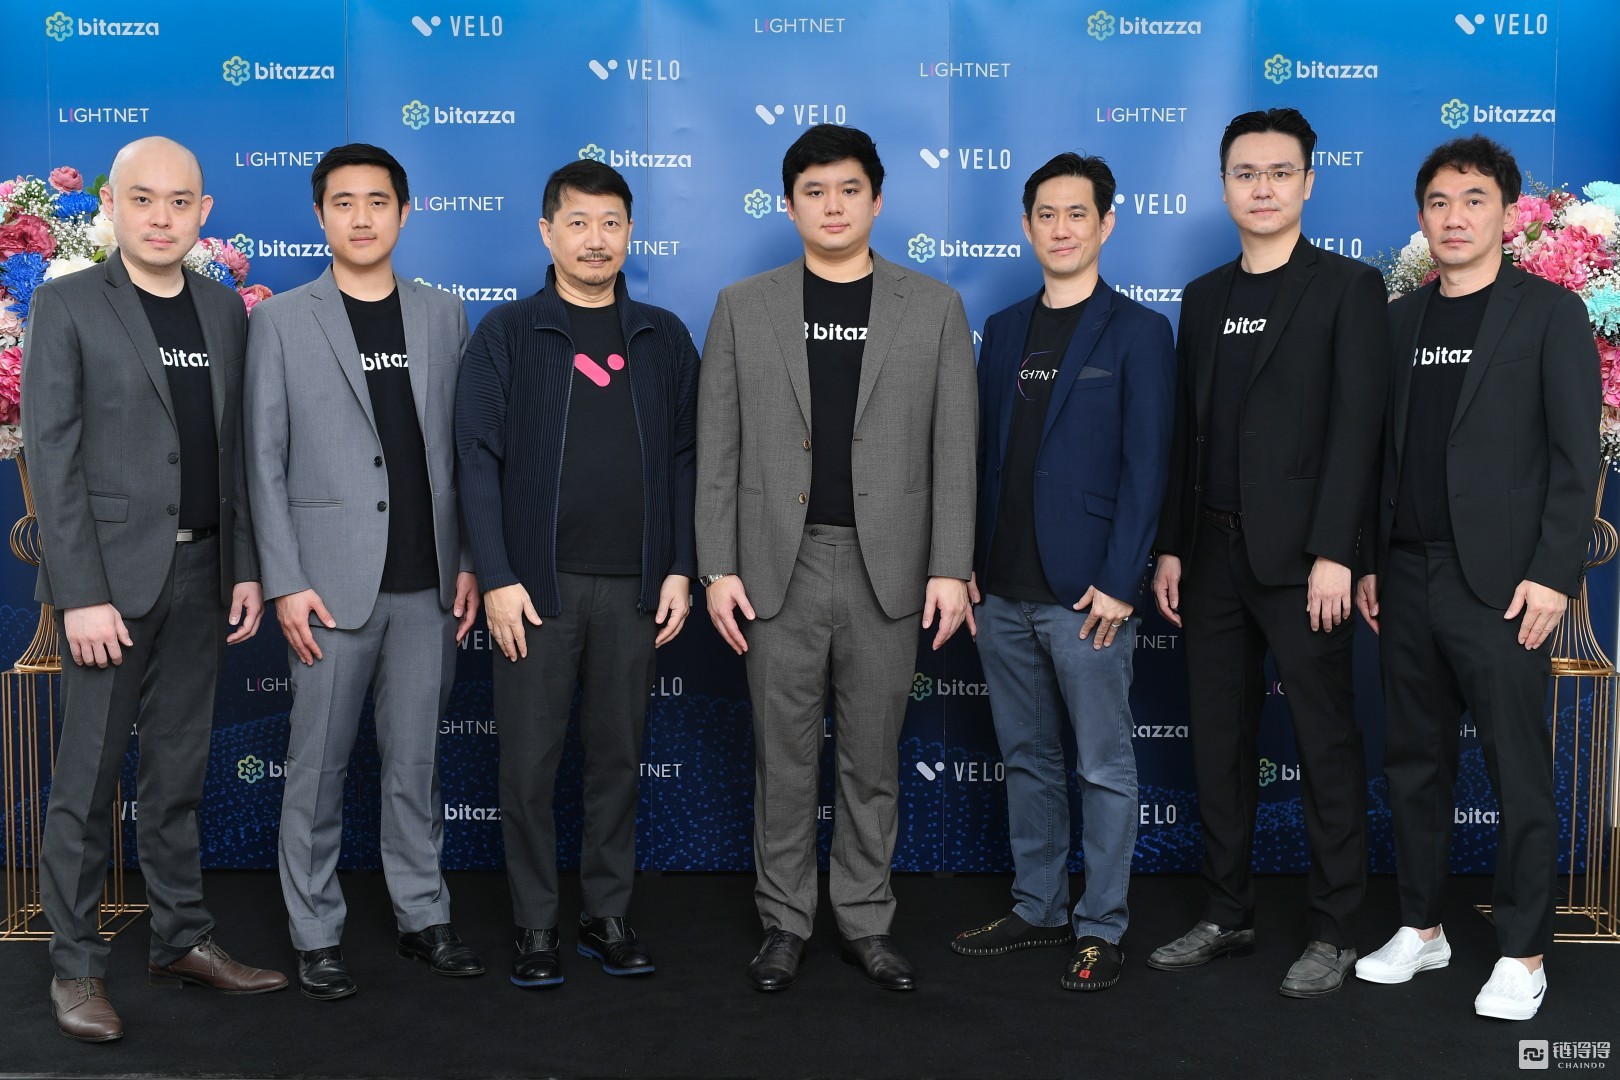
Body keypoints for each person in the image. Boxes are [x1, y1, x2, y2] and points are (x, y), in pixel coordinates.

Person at [697, 124, 977, 993]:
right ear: (789, 206)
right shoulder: (743, 305)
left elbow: (956, 449)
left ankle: (865, 920)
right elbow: (717, 450)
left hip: (887, 569)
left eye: (849, 189)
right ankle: (784, 922)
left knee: (871, 761)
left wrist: (949, 565)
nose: (832, 206)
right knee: (782, 760)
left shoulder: (933, 307)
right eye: (814, 191)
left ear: (877, 201)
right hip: (773, 568)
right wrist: (717, 567)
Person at [24, 136, 285, 1042]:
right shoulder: (65, 304)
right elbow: (52, 455)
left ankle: (180, 939)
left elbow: (234, 452)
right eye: (143, 199)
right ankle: (75, 968)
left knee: (178, 774)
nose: (162, 217)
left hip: (204, 574)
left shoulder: (222, 308)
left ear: (203, 213)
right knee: (86, 784)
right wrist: (79, 593)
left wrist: (244, 565)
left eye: (180, 202)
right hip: (109, 587)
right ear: (111, 205)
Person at [1353, 135, 1598, 1020]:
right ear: (1421, 218)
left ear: (1507, 212)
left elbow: (1576, 459)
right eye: (1439, 202)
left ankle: (1524, 954)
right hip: (1405, 572)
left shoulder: (1550, 314)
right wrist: (1372, 558)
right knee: (1413, 764)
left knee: (1517, 770)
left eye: (1473, 200)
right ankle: (1421, 928)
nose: (1454, 217)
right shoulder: (1399, 321)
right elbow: (1380, 454)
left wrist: (1553, 575)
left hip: (1500, 585)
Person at [1149, 108, 1389, 997]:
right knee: (1219, 741)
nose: (1262, 187)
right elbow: (1188, 434)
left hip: (1305, 564)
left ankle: (1334, 928)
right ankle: (1227, 912)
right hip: (1209, 556)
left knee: (1325, 744)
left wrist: (1337, 552)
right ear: (1224, 186)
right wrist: (1171, 547)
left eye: (1280, 172)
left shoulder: (1348, 287)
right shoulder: (1203, 295)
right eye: (1246, 173)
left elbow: (1359, 429)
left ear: (1308, 183)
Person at [245, 143, 482, 1000]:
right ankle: (315, 932)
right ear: (320, 216)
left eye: (378, 201)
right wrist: (284, 580)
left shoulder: (443, 314)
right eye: (343, 202)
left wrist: (468, 563)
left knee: (416, 767)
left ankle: (423, 916)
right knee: (316, 772)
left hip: (429, 586)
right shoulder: (281, 320)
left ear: (404, 213)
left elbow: (462, 453)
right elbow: (262, 460)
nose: (361, 217)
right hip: (327, 588)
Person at [456, 160, 696, 988]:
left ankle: (605, 914)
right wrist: (496, 576)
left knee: (617, 761)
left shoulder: (664, 336)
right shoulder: (506, 332)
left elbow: (689, 457)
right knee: (527, 767)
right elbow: (476, 460)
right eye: (579, 223)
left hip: (636, 589)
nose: (596, 240)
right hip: (535, 590)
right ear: (547, 232)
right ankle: (534, 924)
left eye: (611, 223)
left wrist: (682, 567)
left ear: (630, 232)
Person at [950, 152, 1175, 991]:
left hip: (1089, 594)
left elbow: (1148, 467)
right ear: (1026, 225)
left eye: (1077, 213)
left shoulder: (1140, 332)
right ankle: (1039, 906)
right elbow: (982, 457)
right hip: (1002, 589)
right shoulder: (1004, 327)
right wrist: (967, 563)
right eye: (1046, 214)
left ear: (1106, 223)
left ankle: (1101, 924)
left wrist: (1122, 580)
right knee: (1027, 758)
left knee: (1102, 767)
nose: (1061, 228)